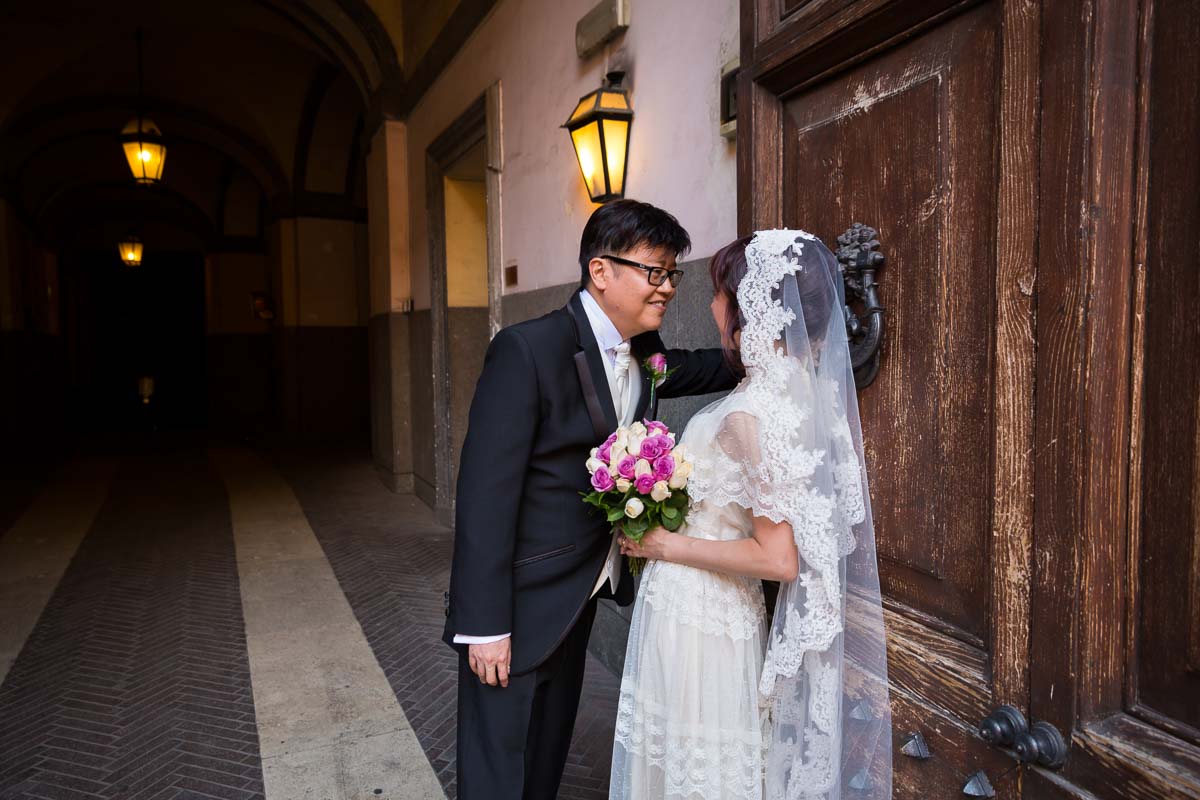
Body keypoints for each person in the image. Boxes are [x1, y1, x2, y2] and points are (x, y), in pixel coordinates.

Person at [442, 199, 739, 799]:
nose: (666, 289)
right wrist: (483, 624)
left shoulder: (643, 348)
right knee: (498, 767)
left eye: (672, 275)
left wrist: (761, 357)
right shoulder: (527, 349)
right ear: (600, 271)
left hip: (582, 591)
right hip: (517, 602)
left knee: (547, 753)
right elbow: (484, 495)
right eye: (654, 273)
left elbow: (683, 370)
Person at [611, 230, 892, 799]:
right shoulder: (790, 394)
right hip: (711, 608)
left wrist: (667, 544)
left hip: (700, 612)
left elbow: (779, 557)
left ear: (746, 305)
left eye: (718, 291)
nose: (711, 303)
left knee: (693, 771)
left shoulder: (750, 414)